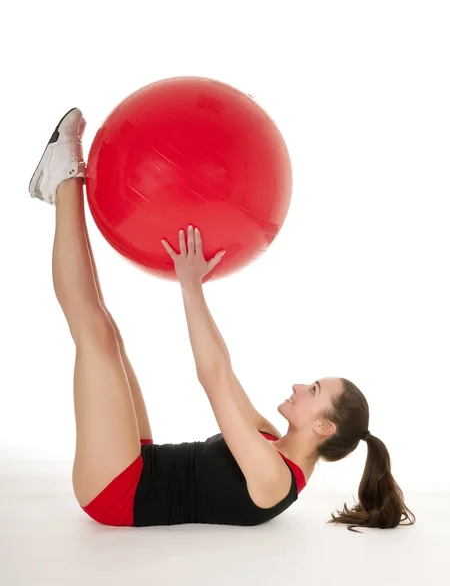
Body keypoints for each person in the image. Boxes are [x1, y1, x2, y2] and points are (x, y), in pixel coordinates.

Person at [29, 108, 416, 533]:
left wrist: (190, 287)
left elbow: (211, 379)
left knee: (94, 333)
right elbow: (224, 371)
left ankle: (66, 176)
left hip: (119, 492)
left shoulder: (274, 480)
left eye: (314, 390)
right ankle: (61, 183)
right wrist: (196, 287)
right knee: (108, 331)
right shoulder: (270, 438)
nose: (299, 386)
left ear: (323, 426)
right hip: (139, 461)